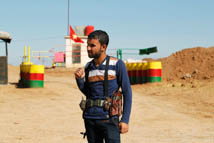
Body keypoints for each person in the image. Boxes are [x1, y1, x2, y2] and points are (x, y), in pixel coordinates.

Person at [75, 30, 132, 143]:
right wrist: (79, 80)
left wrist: (125, 120)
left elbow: (127, 92)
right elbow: (89, 92)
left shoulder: (117, 64)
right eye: (88, 45)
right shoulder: (88, 66)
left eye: (92, 45)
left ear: (103, 47)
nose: (88, 48)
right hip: (90, 119)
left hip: (109, 119)